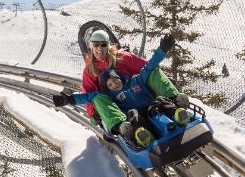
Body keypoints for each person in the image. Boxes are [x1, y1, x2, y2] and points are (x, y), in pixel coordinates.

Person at [52, 31, 190, 147]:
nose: (100, 48)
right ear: (91, 47)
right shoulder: (91, 73)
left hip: (145, 96)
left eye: (103, 44)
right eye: (96, 45)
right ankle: (128, 130)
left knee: (154, 76)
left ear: (108, 45)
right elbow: (89, 95)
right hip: (124, 109)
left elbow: (148, 67)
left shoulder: (124, 60)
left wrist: (162, 50)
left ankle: (176, 103)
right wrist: (79, 106)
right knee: (129, 114)